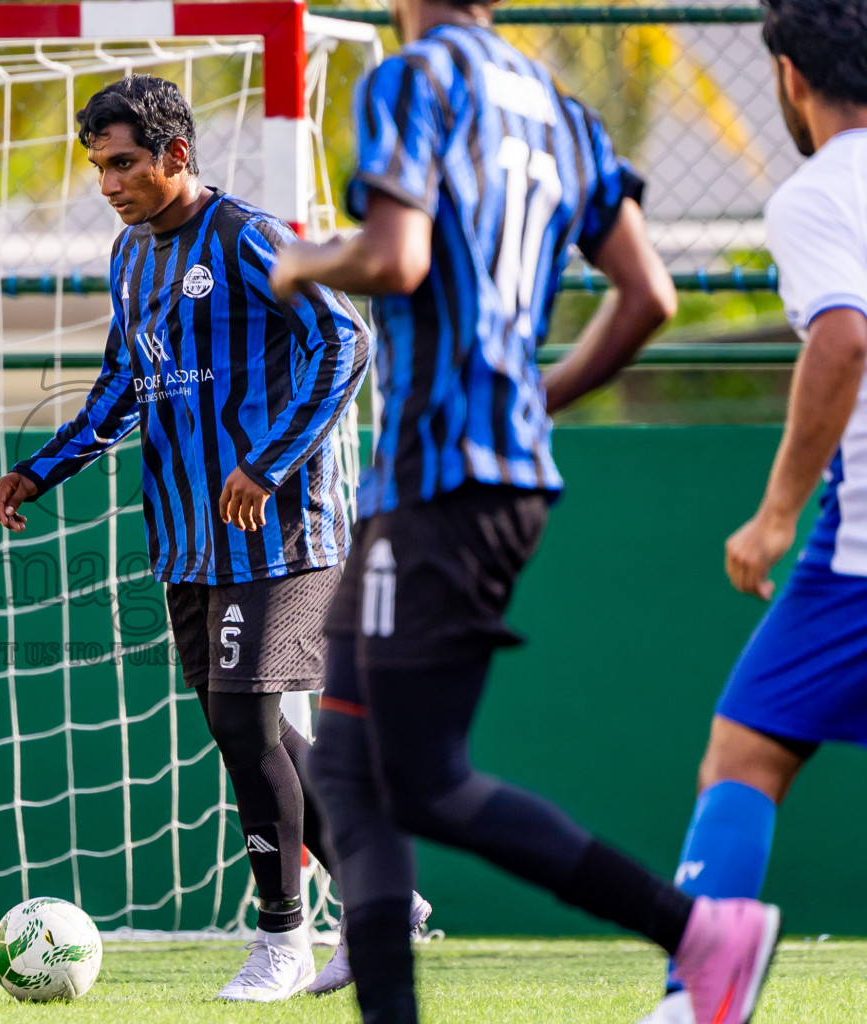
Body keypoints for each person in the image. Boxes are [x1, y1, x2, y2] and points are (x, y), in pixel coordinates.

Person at [269, 0, 785, 1020]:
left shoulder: (412, 79)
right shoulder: (560, 109)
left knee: (420, 781)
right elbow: (649, 294)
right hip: (458, 483)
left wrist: (304, 260)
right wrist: (535, 395)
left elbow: (395, 257)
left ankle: (700, 932)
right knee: (349, 767)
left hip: (438, 490)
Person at [0, 73, 374, 1003]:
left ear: (176, 154)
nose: (109, 183)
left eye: (123, 164)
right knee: (249, 724)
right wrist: (44, 466)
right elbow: (125, 384)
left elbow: (346, 340)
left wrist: (270, 461)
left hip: (279, 533)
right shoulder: (133, 258)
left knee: (244, 722)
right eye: (97, 168)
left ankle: (282, 939)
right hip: (189, 539)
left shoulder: (250, 237)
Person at [637, 0, 867, 1021]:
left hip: (858, 547)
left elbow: (845, 339)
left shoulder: (820, 193)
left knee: (746, 751)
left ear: (786, 75)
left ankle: (704, 994)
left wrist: (773, 515)